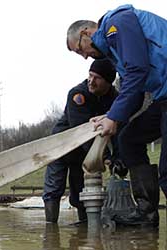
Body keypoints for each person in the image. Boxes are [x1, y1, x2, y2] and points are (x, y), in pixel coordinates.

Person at [66, 5, 167, 226]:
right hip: (163, 98)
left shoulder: (117, 23)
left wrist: (114, 116)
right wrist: (110, 115)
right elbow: (136, 94)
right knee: (128, 138)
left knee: (166, 172)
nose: (84, 57)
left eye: (79, 50)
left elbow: (137, 71)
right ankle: (146, 213)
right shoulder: (114, 51)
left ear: (86, 32)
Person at [43, 59, 119, 223]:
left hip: (83, 153)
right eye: (90, 76)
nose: (91, 81)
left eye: (97, 78)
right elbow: (81, 130)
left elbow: (118, 129)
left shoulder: (115, 98)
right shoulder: (78, 94)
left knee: (82, 192)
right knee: (54, 188)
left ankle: (85, 228)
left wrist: (117, 157)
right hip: (62, 145)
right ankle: (50, 230)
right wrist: (104, 156)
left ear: (108, 83)